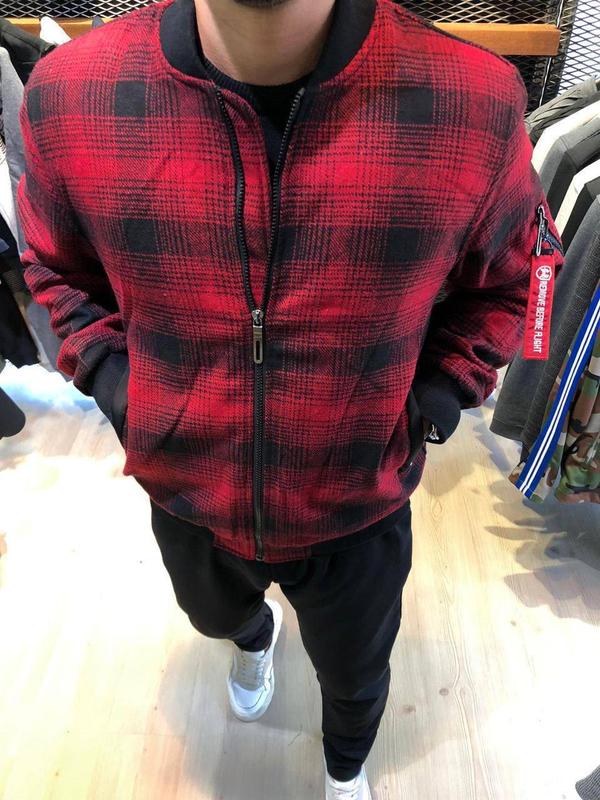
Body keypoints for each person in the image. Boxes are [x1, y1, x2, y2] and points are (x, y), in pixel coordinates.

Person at [16, 0, 565, 797]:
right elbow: (54, 267)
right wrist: (118, 387)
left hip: (358, 502)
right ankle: (252, 634)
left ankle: (345, 766)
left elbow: (523, 277)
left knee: (355, 671)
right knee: (212, 616)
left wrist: (437, 398)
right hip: (186, 489)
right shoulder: (75, 94)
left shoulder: (469, 100)